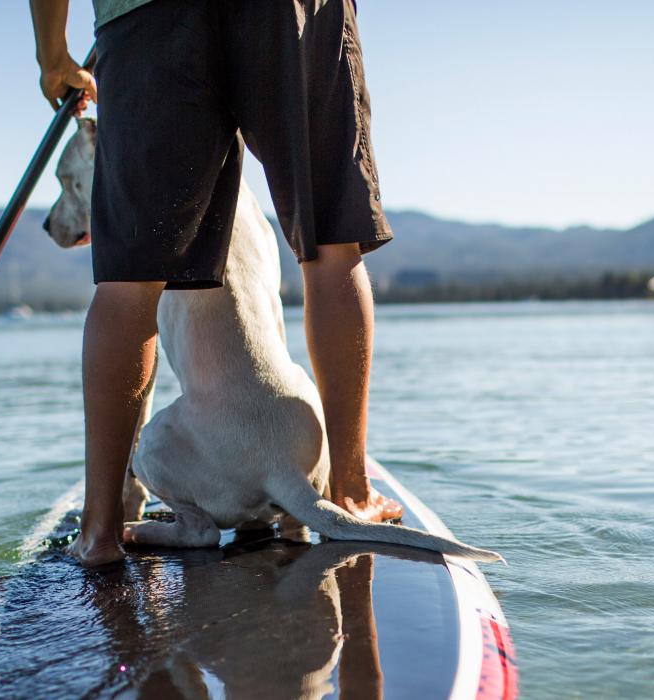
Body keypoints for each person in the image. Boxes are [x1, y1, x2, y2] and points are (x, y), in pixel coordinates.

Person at [29, 0, 403, 566]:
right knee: (330, 243)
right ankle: (348, 490)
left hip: (146, 13)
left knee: (130, 278)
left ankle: (101, 528)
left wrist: (53, 54)